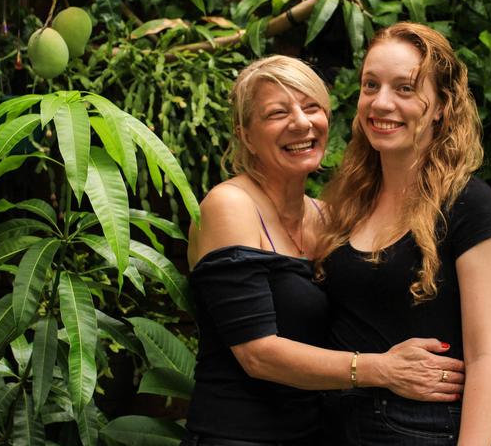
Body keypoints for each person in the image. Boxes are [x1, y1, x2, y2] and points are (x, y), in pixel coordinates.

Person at [181, 55, 466, 446]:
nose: (301, 122)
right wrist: (382, 369)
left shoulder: (329, 217)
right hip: (236, 435)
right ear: (246, 135)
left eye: (311, 107)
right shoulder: (230, 205)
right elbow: (257, 354)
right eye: (277, 112)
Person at [317, 22, 491, 445]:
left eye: (404, 89)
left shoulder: (469, 206)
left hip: (415, 429)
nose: (381, 103)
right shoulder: (350, 199)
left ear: (442, 105)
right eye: (371, 85)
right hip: (331, 424)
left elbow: (486, 357)